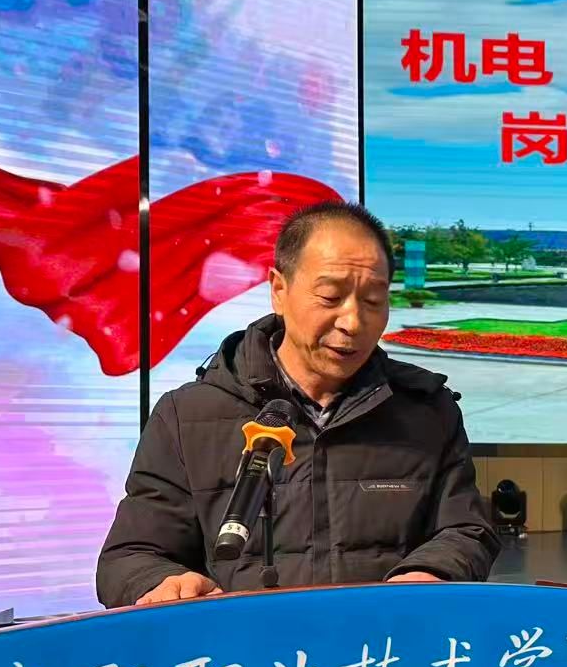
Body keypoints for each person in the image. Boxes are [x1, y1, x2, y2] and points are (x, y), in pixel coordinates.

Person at [96, 201, 498, 607]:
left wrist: (432, 572)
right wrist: (162, 582)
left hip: (382, 640)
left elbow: (465, 529)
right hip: (244, 645)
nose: (353, 322)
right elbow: (130, 556)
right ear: (279, 290)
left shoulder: (428, 410)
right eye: (330, 297)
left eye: (374, 301)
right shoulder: (186, 417)